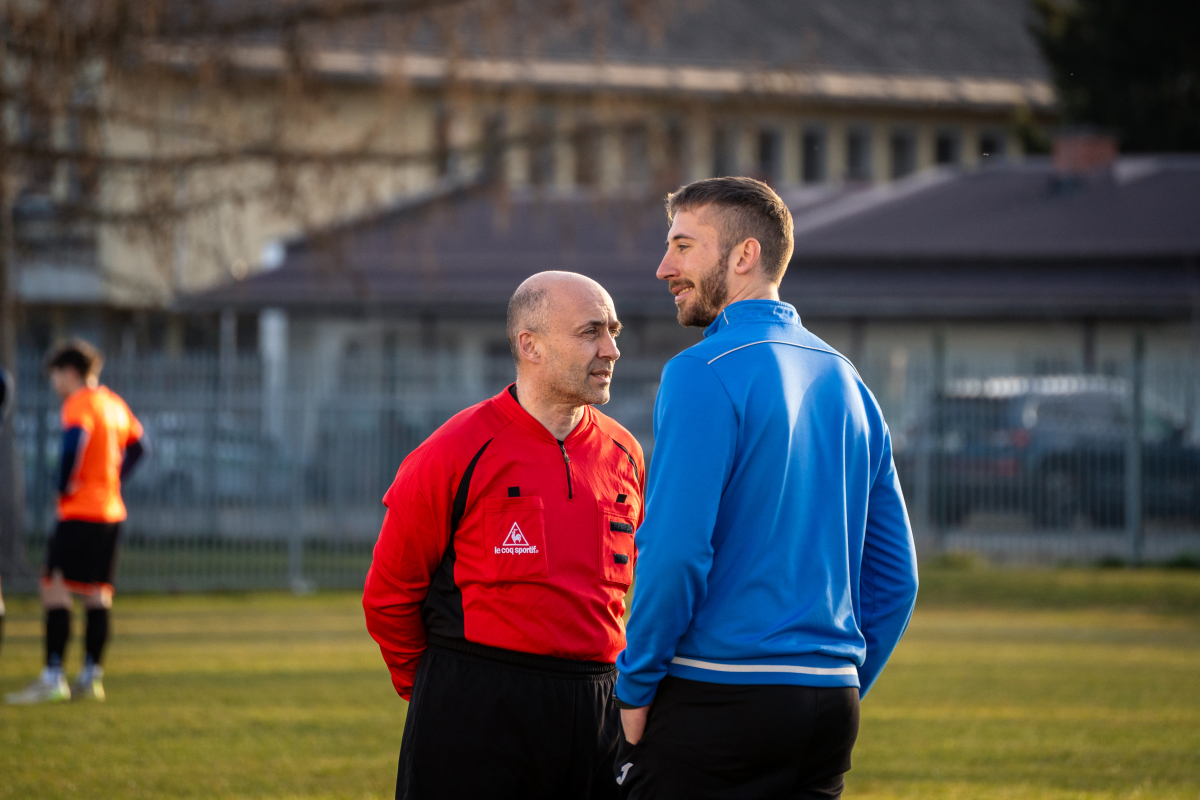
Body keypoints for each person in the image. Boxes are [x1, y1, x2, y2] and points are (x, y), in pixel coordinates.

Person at [614, 177, 919, 799]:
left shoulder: (700, 371)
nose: (664, 267)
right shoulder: (849, 381)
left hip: (718, 695)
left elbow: (675, 552)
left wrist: (635, 686)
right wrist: (838, 681)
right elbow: (897, 578)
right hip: (829, 709)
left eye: (683, 246)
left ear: (744, 255)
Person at [364, 271, 646, 800]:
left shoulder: (626, 454)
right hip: (476, 707)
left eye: (613, 331)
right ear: (530, 345)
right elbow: (389, 598)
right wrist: (440, 693)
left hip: (598, 711)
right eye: (590, 332)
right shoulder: (452, 452)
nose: (611, 349)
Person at [6, 340, 144, 704]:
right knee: (97, 594)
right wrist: (112, 478)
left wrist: (64, 484)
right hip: (111, 510)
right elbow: (139, 447)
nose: (54, 384)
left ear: (69, 373)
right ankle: (90, 677)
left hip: (81, 510)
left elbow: (74, 441)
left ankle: (53, 676)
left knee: (54, 585)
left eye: (55, 376)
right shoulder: (114, 404)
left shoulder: (79, 403)